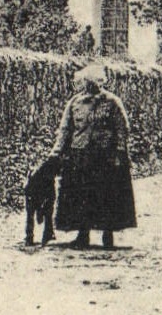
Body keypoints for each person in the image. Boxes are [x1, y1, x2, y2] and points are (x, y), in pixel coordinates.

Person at [51, 62, 137, 250]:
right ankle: (83, 235)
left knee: (105, 195)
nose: (90, 87)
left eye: (94, 83)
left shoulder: (112, 102)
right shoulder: (74, 103)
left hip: (104, 156)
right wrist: (56, 153)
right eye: (87, 84)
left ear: (100, 83)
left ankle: (108, 236)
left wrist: (120, 152)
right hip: (79, 155)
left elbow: (122, 128)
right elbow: (65, 130)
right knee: (82, 195)